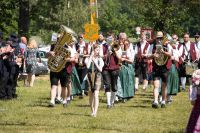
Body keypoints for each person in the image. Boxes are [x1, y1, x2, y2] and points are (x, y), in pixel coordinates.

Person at [47, 38, 78, 107]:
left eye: (61, 39)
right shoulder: (53, 46)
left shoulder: (69, 48)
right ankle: (52, 101)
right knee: (54, 85)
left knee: (64, 86)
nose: (60, 41)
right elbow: (47, 55)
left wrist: (68, 59)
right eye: (59, 39)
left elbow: (75, 59)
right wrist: (50, 53)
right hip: (54, 69)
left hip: (64, 69)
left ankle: (64, 100)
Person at [147, 31, 172, 108]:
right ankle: (155, 101)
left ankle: (163, 101)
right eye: (158, 38)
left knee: (164, 86)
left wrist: (164, 52)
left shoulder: (167, 45)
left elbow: (170, 54)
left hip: (165, 68)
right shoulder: (152, 46)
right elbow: (148, 56)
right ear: (156, 38)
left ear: (163, 38)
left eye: (161, 38)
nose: (159, 39)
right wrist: (153, 55)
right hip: (156, 67)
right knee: (156, 85)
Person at [102, 36, 122, 108]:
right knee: (107, 85)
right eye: (108, 39)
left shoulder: (117, 46)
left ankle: (112, 101)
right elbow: (101, 56)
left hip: (114, 69)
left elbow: (120, 58)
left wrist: (115, 51)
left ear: (113, 40)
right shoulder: (103, 46)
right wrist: (107, 54)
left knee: (114, 86)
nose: (110, 40)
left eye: (111, 39)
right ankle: (108, 103)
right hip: (106, 68)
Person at [85, 44, 104, 117]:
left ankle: (95, 112)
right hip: (90, 76)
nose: (97, 51)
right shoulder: (88, 58)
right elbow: (87, 66)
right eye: (96, 50)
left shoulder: (100, 59)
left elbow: (100, 69)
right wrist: (91, 57)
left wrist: (95, 62)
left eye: (98, 50)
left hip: (98, 76)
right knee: (91, 95)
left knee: (96, 94)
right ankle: (92, 110)